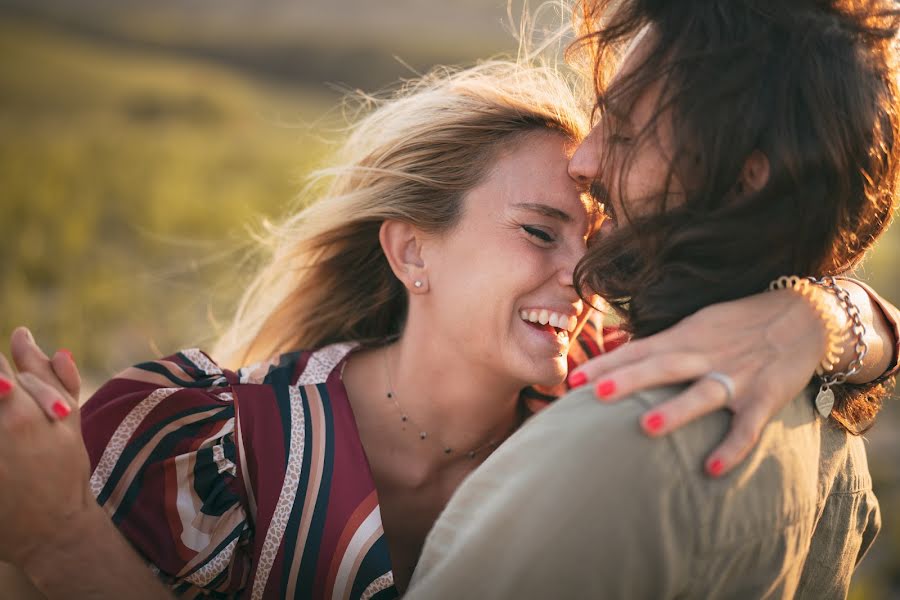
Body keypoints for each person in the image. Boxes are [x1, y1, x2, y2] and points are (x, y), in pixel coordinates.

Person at [0, 37, 897, 600]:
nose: (584, 270)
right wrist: (61, 537)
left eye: (594, 233)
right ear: (411, 252)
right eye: (537, 231)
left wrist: (819, 315)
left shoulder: (619, 385)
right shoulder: (198, 447)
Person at [404, 0, 900, 598]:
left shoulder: (603, 447)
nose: (585, 162)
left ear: (747, 176)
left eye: (628, 132)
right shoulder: (828, 428)